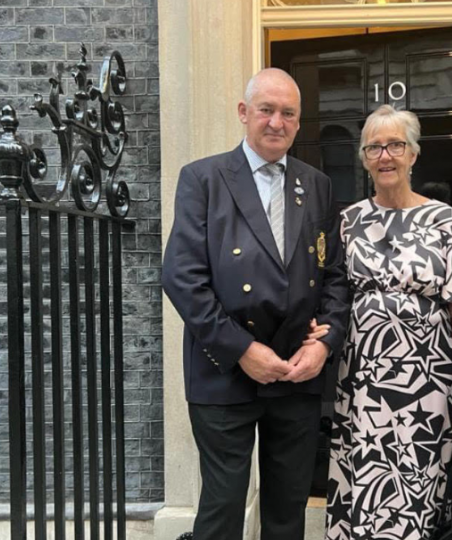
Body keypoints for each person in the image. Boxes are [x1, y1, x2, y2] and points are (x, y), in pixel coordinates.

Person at [161, 68, 350, 540]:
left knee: (287, 511)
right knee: (222, 508)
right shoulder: (204, 178)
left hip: (296, 371)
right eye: (266, 109)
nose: (276, 122)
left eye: (288, 113)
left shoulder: (318, 185)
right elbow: (181, 276)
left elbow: (336, 277)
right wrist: (242, 350)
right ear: (244, 113)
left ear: (299, 122)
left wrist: (324, 345)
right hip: (224, 370)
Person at [322, 105, 452, 540]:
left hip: (429, 384)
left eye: (395, 145)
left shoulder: (445, 220)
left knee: (422, 485)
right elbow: (330, 292)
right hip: (364, 384)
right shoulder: (347, 221)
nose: (385, 156)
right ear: (364, 157)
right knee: (366, 481)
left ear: (413, 154)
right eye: (374, 147)